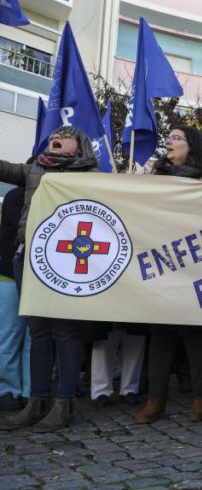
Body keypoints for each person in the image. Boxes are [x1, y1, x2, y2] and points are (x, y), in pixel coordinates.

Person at [0, 126, 99, 431]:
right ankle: (36, 403)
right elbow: (5, 169)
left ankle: (64, 404)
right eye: (54, 134)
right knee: (40, 333)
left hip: (68, 265)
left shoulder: (93, 178)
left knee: (66, 333)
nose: (57, 136)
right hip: (28, 259)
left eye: (65, 135)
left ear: (78, 146)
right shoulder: (35, 171)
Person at [135, 125, 202, 424]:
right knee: (161, 334)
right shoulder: (155, 178)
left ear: (191, 146)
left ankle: (201, 397)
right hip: (160, 262)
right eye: (167, 137)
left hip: (194, 262)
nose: (169, 141)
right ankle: (155, 399)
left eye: (176, 138)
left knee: (195, 334)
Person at [0, 185, 29, 411]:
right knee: (9, 337)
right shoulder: (15, 196)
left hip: (37, 280)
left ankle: (30, 391)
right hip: (10, 275)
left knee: (33, 339)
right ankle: (8, 390)